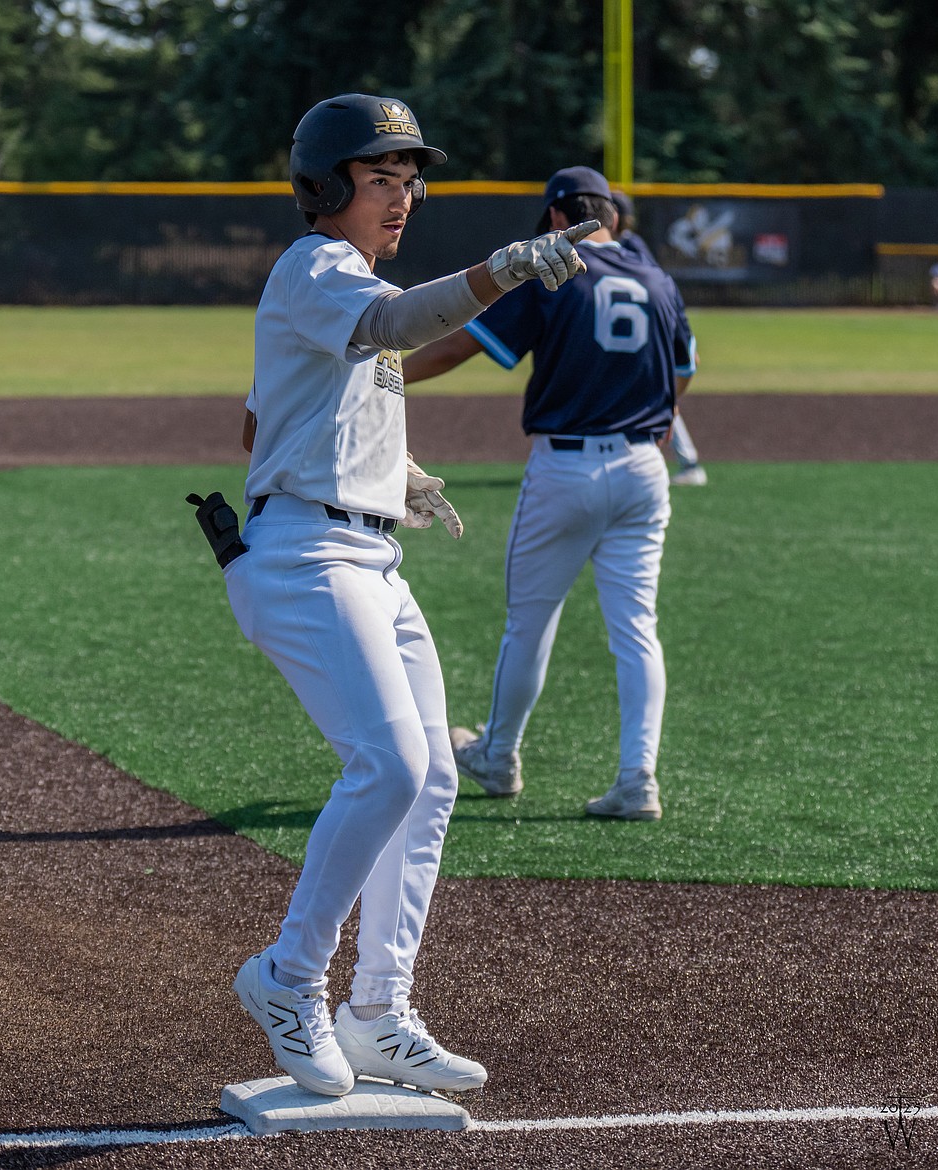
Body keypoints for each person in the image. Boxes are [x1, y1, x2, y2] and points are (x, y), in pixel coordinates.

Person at [224, 94, 597, 1096]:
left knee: (432, 779)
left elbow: (264, 423)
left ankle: (379, 1010)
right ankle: (288, 978)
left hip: (367, 557)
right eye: (378, 178)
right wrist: (507, 270)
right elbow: (390, 325)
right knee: (388, 768)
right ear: (325, 185)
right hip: (308, 560)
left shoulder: (341, 289)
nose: (400, 198)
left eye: (407, 181)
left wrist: (396, 471)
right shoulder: (317, 268)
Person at [401, 166, 696, 820]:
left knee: (530, 624)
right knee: (637, 631)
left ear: (560, 218)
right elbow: (683, 373)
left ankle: (500, 755)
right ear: (613, 215)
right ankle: (638, 779)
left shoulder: (555, 269)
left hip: (567, 470)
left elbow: (459, 347)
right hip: (645, 469)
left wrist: (385, 373)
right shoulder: (658, 279)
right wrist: (658, 426)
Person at [612, 189, 707, 487]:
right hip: (640, 331)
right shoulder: (623, 244)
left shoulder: (629, 247)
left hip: (647, 332)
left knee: (656, 394)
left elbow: (656, 291)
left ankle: (689, 461)